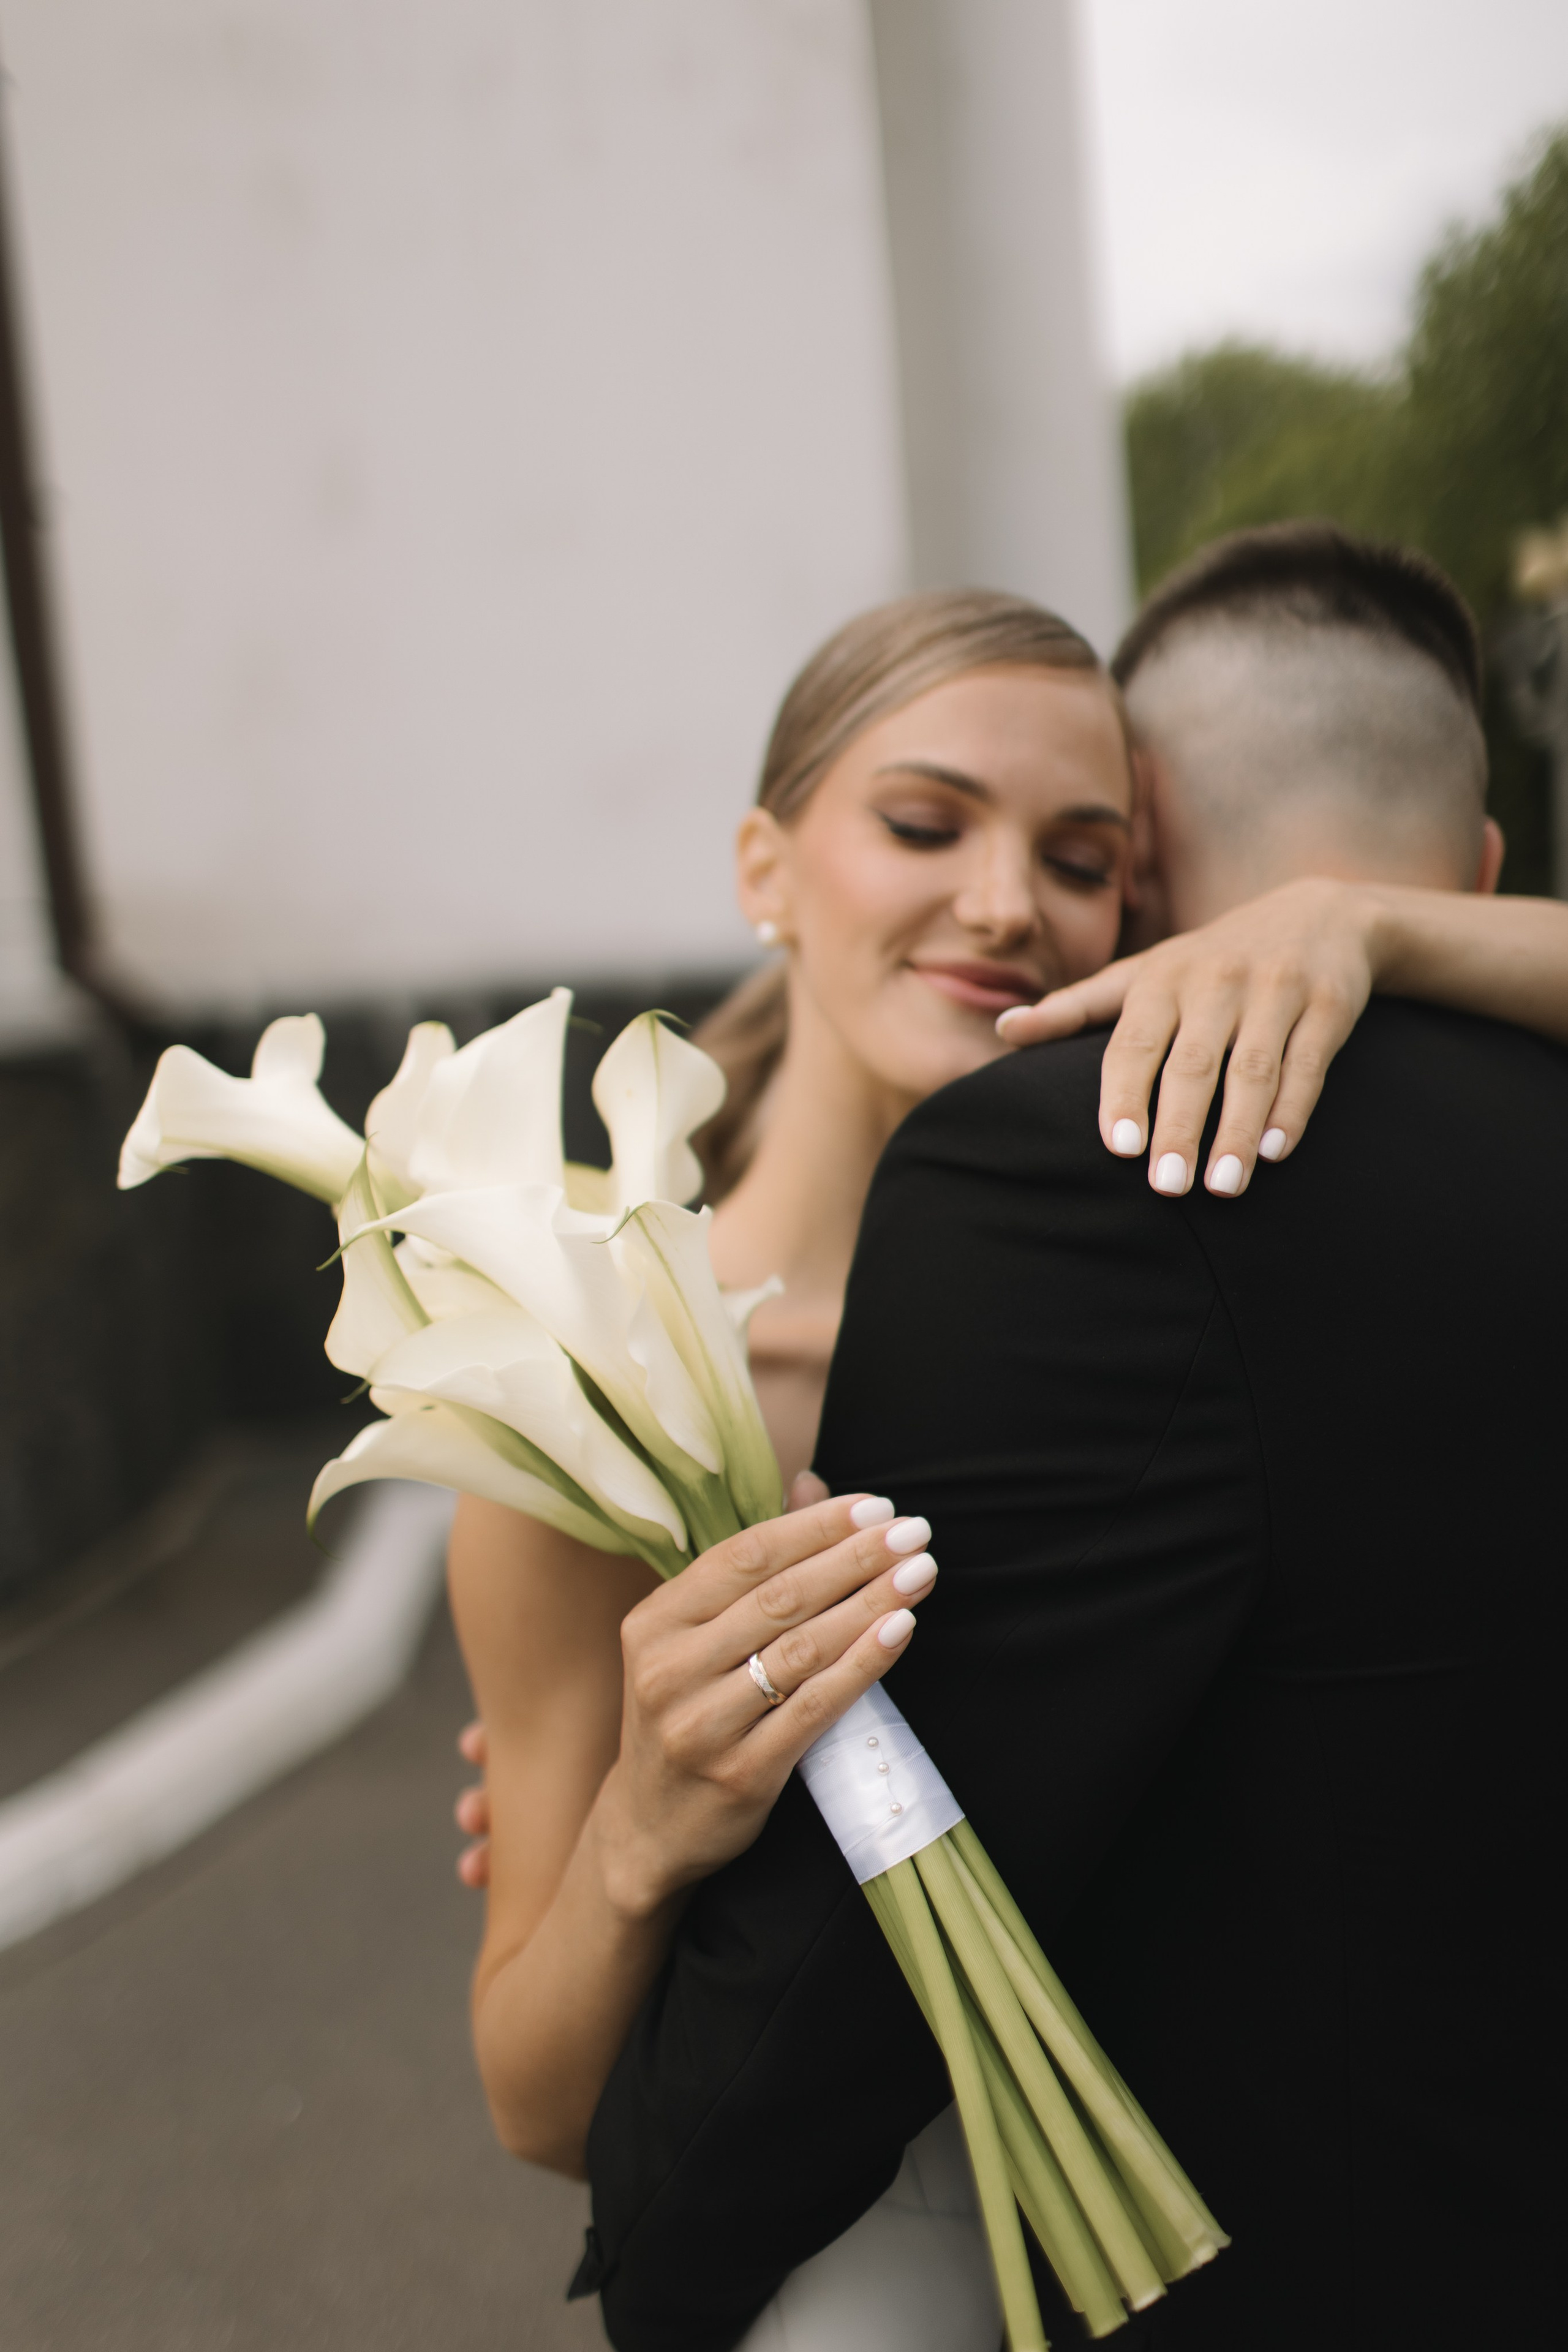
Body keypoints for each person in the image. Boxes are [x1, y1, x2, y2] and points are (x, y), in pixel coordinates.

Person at [450, 552, 1568, 2346]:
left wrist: (1363, 920)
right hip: (880, 2216)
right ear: (767, 870)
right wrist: (646, 1826)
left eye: (1080, 861)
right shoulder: (602, 1388)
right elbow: (529, 2102)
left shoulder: (1161, 1256)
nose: (1007, 907)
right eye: (922, 824)